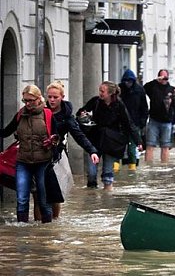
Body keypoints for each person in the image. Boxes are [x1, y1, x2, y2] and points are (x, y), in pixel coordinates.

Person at [41, 81, 99, 219]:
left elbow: (79, 135)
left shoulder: (67, 117)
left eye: (55, 97)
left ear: (62, 97)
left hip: (56, 157)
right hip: (38, 155)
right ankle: (41, 225)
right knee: (39, 194)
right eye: (49, 97)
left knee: (54, 194)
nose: (52, 100)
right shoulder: (41, 111)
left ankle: (53, 223)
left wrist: (92, 151)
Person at [0, 85, 57, 223]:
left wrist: (53, 141)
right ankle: (22, 228)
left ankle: (47, 231)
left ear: (38, 99)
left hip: (43, 162)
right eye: (25, 100)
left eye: (31, 100)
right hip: (23, 161)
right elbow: (6, 132)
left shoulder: (47, 114)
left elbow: (57, 135)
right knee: (22, 198)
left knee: (43, 199)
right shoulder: (20, 114)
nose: (28, 104)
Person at [77, 81, 142, 191]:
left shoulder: (119, 105)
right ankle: (92, 198)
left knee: (108, 173)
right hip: (95, 139)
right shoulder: (95, 101)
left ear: (110, 93)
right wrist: (82, 114)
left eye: (103, 91)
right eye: (100, 91)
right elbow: (81, 112)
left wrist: (138, 141)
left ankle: (107, 197)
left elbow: (128, 123)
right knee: (92, 174)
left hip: (111, 142)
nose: (100, 93)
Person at [143, 69, 175, 163]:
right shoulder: (153, 87)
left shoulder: (172, 89)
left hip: (167, 122)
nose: (163, 78)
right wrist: (156, 80)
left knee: (165, 146)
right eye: (161, 76)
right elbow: (145, 88)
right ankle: (148, 166)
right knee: (150, 145)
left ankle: (164, 167)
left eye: (165, 76)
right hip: (154, 120)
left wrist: (173, 100)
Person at [119, 69, 148, 171]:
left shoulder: (139, 90)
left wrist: (142, 123)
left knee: (132, 148)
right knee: (118, 147)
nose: (128, 84)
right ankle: (116, 170)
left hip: (135, 124)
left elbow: (144, 108)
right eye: (126, 81)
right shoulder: (119, 90)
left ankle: (132, 170)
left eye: (130, 81)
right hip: (121, 124)